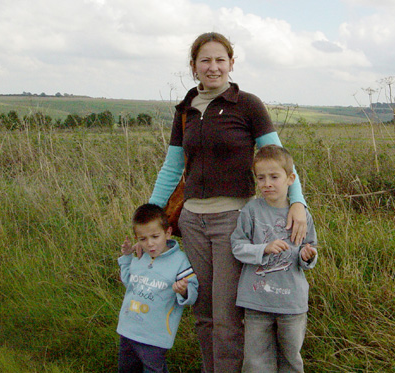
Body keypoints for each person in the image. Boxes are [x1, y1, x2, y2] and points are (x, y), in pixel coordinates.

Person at [148, 32, 308, 372]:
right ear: (193, 67)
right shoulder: (186, 109)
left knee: (226, 316)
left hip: (233, 222)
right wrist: (151, 216)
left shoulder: (248, 105)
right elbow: (172, 166)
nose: (213, 67)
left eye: (220, 59)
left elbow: (279, 159)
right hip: (191, 222)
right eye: (205, 60)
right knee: (203, 312)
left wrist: (298, 204)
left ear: (231, 64)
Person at [231, 144, 318, 372]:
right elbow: (237, 247)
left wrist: (308, 256)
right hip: (256, 302)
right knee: (256, 362)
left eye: (274, 176)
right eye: (261, 178)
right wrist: (263, 249)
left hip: (292, 303)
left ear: (290, 178)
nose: (267, 183)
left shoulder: (301, 214)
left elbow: (309, 251)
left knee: (290, 359)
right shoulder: (251, 210)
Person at [116, 203, 199, 373]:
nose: (150, 244)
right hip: (128, 330)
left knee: (153, 369)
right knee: (126, 369)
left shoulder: (180, 261)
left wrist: (183, 289)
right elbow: (129, 282)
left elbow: (193, 291)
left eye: (155, 236)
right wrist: (126, 257)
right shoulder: (141, 256)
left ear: (168, 233)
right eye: (143, 239)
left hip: (155, 336)